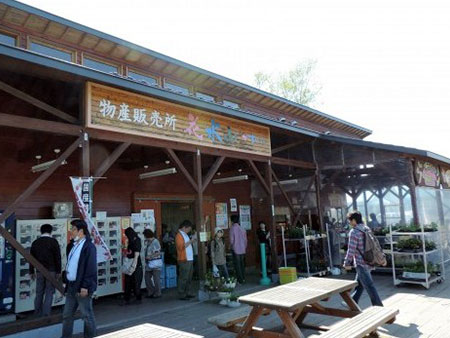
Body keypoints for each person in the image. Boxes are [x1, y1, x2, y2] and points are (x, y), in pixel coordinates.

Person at [62, 219, 97, 338]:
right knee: (67, 315)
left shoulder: (89, 247)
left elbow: (90, 268)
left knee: (87, 315)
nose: (70, 231)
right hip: (71, 285)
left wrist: (85, 286)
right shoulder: (72, 245)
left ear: (81, 231)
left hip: (82, 286)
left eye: (73, 229)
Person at [343, 211, 383, 307]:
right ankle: (352, 302)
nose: (349, 223)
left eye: (350, 221)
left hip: (361, 263)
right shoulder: (366, 228)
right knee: (359, 284)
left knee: (369, 286)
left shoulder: (354, 231)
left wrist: (346, 262)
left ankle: (379, 307)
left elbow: (351, 249)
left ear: (353, 220)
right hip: (369, 260)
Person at [29, 223, 61, 317]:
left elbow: (31, 258)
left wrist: (31, 271)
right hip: (51, 270)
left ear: (41, 231)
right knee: (49, 292)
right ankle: (46, 314)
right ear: (51, 231)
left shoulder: (35, 242)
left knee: (39, 292)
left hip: (39, 271)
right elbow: (57, 257)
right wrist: (58, 271)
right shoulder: (53, 242)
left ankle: (37, 313)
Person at [175, 220, 197, 300]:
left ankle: (188, 292)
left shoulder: (184, 234)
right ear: (184, 227)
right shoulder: (179, 235)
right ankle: (181, 293)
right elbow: (181, 247)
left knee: (189, 277)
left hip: (189, 259)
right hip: (184, 259)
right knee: (183, 277)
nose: (189, 231)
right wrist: (191, 241)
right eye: (188, 229)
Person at [122, 227, 143, 305]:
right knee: (128, 282)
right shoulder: (131, 240)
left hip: (135, 265)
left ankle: (137, 297)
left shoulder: (137, 240)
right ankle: (127, 298)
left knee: (136, 282)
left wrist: (134, 265)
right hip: (130, 263)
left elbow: (136, 254)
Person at [143, 229, 162, 299]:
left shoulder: (155, 242)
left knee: (156, 279)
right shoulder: (148, 242)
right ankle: (150, 291)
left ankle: (158, 293)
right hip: (149, 263)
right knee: (147, 278)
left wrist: (150, 256)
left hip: (155, 263)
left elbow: (158, 252)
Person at [230, 215, 247, 284]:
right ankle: (243, 278)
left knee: (237, 265)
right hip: (243, 249)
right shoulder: (242, 228)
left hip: (235, 249)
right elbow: (246, 240)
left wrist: (230, 246)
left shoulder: (232, 229)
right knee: (242, 264)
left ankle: (240, 280)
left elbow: (231, 240)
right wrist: (244, 247)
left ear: (232, 221)